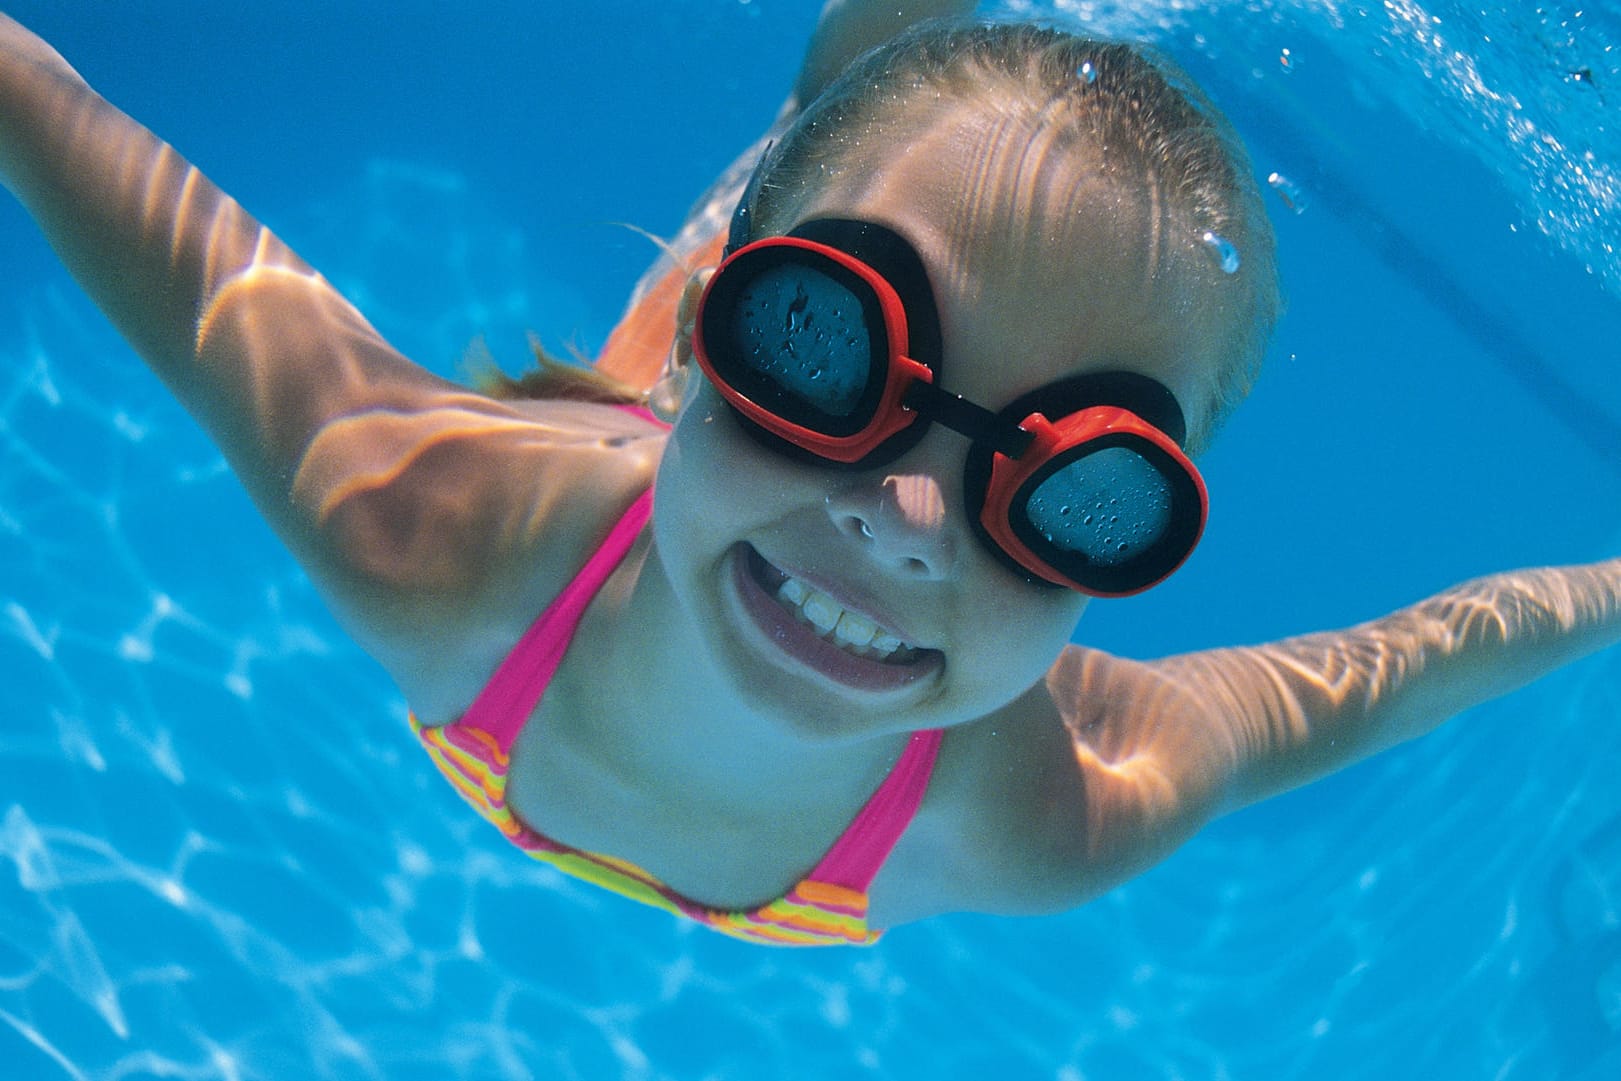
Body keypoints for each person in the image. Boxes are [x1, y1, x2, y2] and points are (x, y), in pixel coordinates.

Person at [2, 0, 1617, 948]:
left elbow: (1405, 668)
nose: (906, 521)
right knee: (816, 148)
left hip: (691, 483)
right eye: (821, 351)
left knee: (819, 242)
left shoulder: (1042, 811)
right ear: (733, 337)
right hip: (621, 479)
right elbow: (92, 153)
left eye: (1074, 489)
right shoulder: (444, 529)